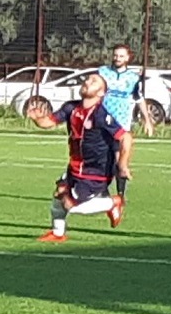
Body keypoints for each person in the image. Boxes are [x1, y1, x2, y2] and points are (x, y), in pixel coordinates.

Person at [27, 72, 132, 243]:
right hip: (75, 166)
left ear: (101, 93)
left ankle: (113, 203)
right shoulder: (71, 108)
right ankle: (57, 233)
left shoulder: (100, 114)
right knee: (58, 196)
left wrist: (123, 164)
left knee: (70, 204)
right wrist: (37, 118)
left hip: (96, 170)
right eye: (87, 79)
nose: (87, 81)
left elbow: (125, 137)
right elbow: (49, 122)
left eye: (94, 81)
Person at [98, 43, 155, 198]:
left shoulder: (133, 78)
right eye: (116, 55)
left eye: (121, 56)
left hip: (121, 124)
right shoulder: (102, 72)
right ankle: (102, 191)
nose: (117, 58)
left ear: (128, 58)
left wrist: (147, 120)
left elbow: (139, 99)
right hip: (102, 123)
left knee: (120, 160)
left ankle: (120, 195)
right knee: (103, 161)